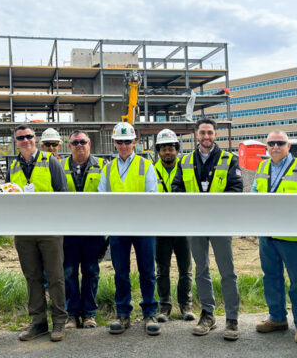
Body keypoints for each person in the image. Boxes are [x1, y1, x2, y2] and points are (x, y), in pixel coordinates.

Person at [172, 117, 242, 341]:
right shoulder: (184, 161)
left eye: (210, 133)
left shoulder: (229, 159)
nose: (206, 137)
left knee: (227, 272)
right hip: (196, 224)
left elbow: (236, 189)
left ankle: (232, 319)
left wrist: (212, 207)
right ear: (196, 135)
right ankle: (208, 315)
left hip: (220, 223)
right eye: (202, 133)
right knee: (201, 270)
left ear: (216, 134)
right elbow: (176, 188)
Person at [252, 130, 297, 345]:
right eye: (271, 143)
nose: (276, 147)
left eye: (280, 143)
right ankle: (277, 318)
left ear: (289, 146)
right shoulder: (262, 167)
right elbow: (253, 196)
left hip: (292, 237)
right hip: (267, 234)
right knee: (271, 278)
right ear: (267, 147)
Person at [97, 122, 161, 336]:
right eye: (119, 141)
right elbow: (102, 198)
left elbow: (153, 196)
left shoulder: (146, 165)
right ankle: (123, 313)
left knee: (147, 271)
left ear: (135, 142)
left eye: (127, 141)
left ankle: (150, 313)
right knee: (121, 272)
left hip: (143, 227)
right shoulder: (107, 168)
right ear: (114, 143)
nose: (124, 145)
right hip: (118, 227)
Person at [6, 124, 68, 342]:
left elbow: (62, 193)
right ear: (16, 141)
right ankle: (38, 322)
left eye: (29, 136)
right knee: (32, 277)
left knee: (55, 276)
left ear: (35, 138)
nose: (26, 140)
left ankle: (59, 321)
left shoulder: (51, 161)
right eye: (21, 137)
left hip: (49, 229)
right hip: (24, 230)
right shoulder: (13, 166)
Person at [61, 130, 107, 329]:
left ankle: (89, 314)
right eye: (75, 142)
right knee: (69, 272)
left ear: (90, 144)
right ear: (69, 146)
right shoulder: (59, 166)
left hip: (92, 229)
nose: (79, 145)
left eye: (83, 141)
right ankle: (71, 314)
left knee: (91, 271)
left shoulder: (103, 166)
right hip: (68, 229)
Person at [152, 129, 195, 323]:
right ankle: (164, 307)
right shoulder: (151, 170)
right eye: (164, 149)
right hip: (161, 227)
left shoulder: (187, 168)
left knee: (185, 269)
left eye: (171, 148)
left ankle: (186, 306)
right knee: (162, 269)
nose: (167, 152)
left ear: (177, 150)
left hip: (184, 226)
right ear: (158, 151)